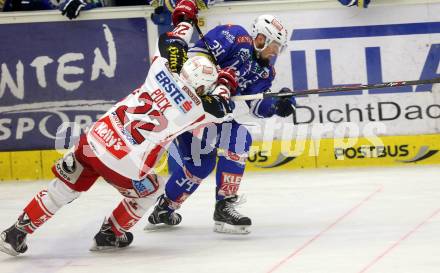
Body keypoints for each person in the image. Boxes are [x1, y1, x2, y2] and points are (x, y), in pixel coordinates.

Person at [0, 15, 236, 256]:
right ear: (200, 89)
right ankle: (110, 234)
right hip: (126, 164)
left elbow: (171, 40)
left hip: (94, 141)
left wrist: (185, 20)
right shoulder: (197, 108)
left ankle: (15, 232)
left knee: (62, 188)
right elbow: (223, 109)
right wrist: (225, 83)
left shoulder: (159, 69)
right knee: (153, 191)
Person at [146, 0, 296, 234]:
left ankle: (165, 207)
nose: (276, 51)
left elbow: (252, 105)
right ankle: (224, 205)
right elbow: (194, 59)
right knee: (239, 139)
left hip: (207, 114)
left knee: (200, 164)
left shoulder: (266, 72)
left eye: (279, 47)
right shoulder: (234, 36)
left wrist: (277, 104)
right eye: (274, 44)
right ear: (260, 38)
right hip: (191, 104)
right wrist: (216, 83)